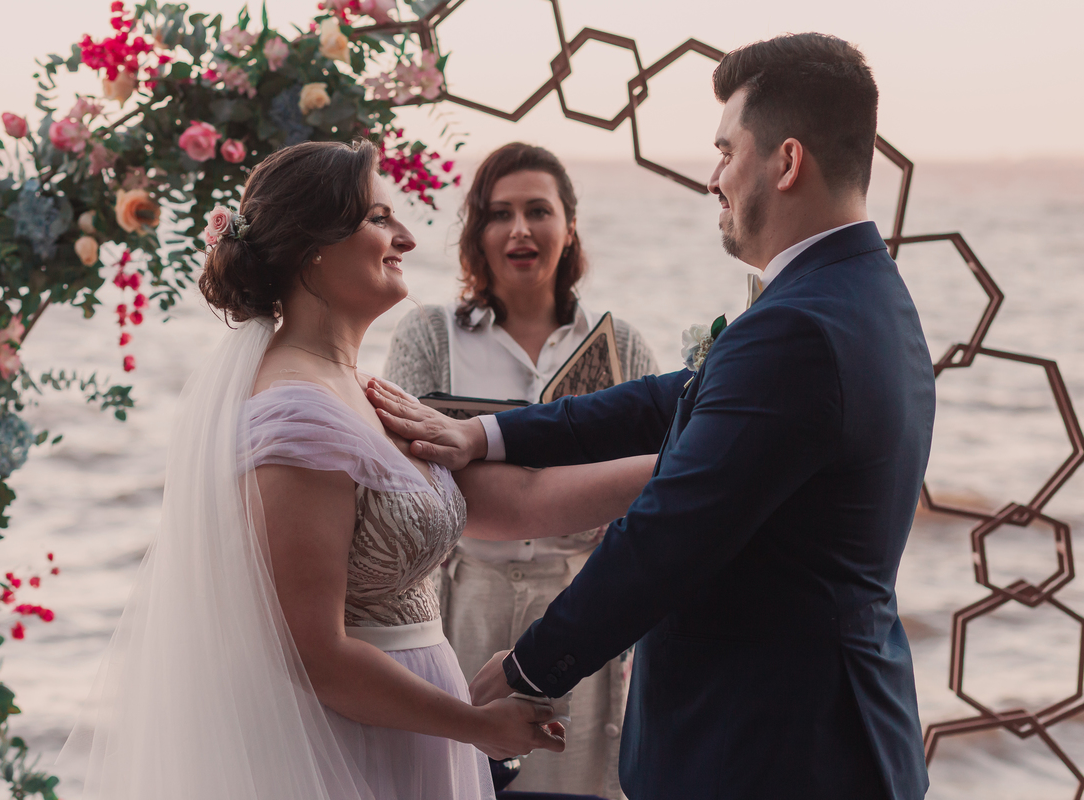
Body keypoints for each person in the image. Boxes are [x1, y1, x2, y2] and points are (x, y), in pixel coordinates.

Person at [368, 33, 935, 800]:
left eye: (725, 152)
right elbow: (671, 397)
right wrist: (486, 434)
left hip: (775, 751)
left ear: (787, 162)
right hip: (827, 732)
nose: (713, 178)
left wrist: (533, 666)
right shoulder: (860, 294)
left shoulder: (799, 327)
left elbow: (671, 532)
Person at [63, 140, 659, 800]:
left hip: (415, 732)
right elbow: (314, 654)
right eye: (379, 218)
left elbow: (518, 501)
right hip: (353, 750)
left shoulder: (371, 394)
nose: (406, 236)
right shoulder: (295, 416)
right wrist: (474, 725)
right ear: (313, 247)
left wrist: (687, 466)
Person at [384, 141, 659, 798]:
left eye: (539, 210)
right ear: (476, 231)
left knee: (576, 784)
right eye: (499, 213)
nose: (520, 229)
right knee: (458, 781)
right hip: (464, 596)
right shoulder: (430, 334)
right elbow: (404, 479)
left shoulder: (620, 345)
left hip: (578, 606)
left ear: (569, 226)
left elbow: (657, 486)